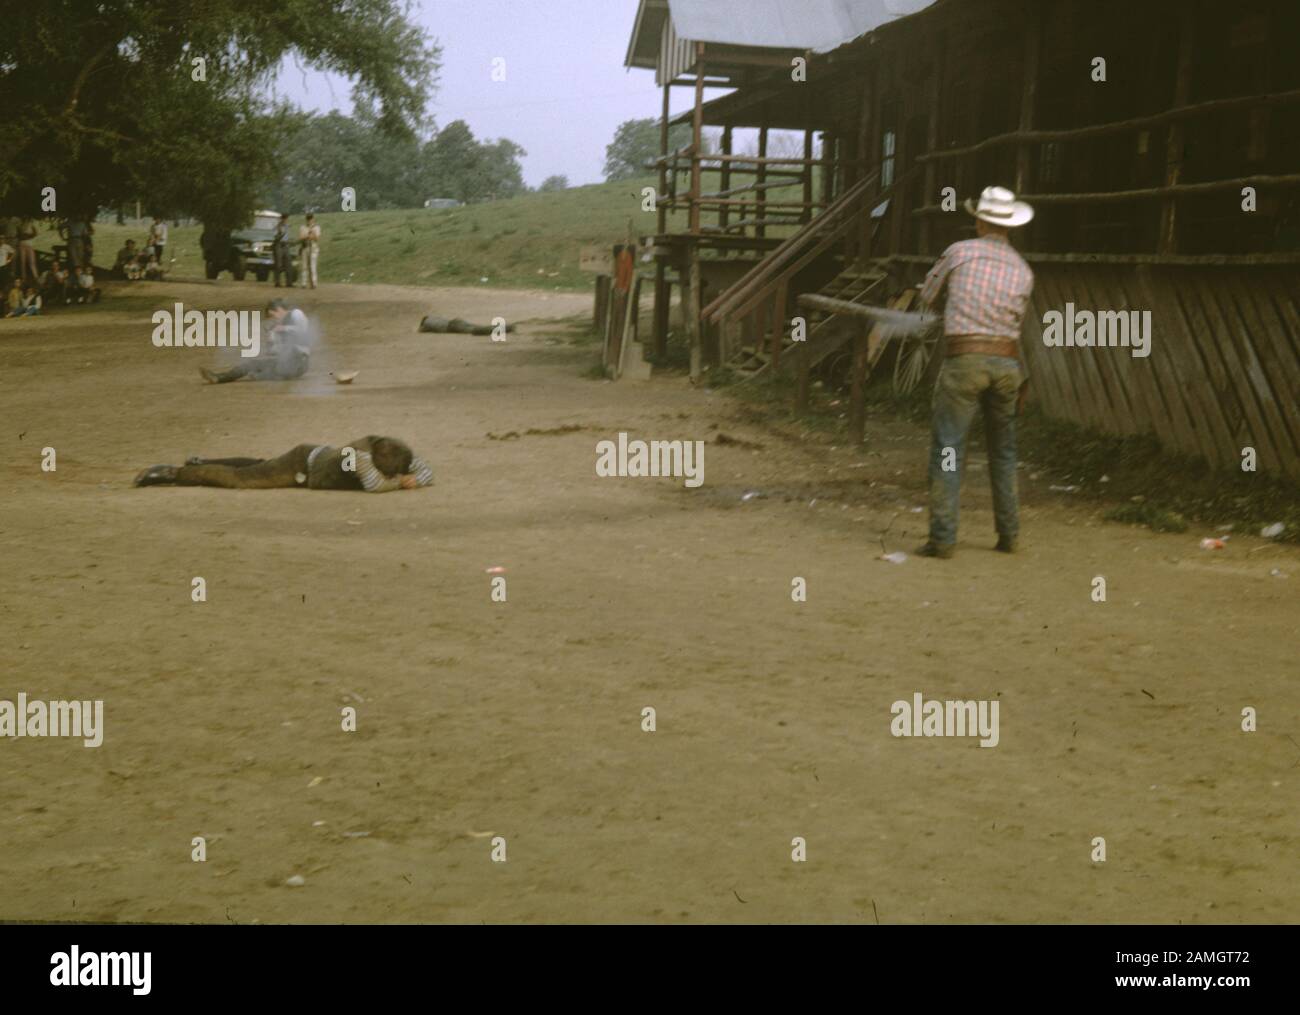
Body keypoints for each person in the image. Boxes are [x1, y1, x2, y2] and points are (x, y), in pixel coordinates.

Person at [916, 185, 1035, 559]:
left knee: (950, 447)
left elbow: (927, 296)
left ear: (980, 220)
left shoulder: (959, 252)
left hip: (964, 361)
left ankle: (943, 538)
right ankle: (1009, 535)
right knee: (1003, 451)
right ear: (1009, 226)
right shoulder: (1022, 269)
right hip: (1007, 365)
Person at [132, 435, 434, 492]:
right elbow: (374, 486)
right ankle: (172, 473)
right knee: (242, 479)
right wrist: (399, 483)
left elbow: (426, 470)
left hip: (312, 454)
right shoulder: (362, 458)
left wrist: (417, 478)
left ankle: (202, 460)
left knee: (259, 465)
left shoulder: (394, 450)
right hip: (302, 465)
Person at [199, 298, 309, 383]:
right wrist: (271, 341)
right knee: (250, 365)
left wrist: (283, 329)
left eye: (273, 315)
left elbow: (304, 331)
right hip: (285, 362)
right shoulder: (277, 328)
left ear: (279, 309)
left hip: (298, 361)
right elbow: (274, 352)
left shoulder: (296, 313)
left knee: (261, 375)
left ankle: (267, 375)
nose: (274, 319)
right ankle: (219, 378)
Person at [298, 213, 320, 289]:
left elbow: (317, 238)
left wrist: (312, 230)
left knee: (313, 266)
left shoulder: (316, 227)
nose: (309, 220)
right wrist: (308, 236)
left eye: (311, 219)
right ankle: (304, 283)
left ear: (313, 219)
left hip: (313, 248)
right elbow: (301, 237)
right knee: (304, 266)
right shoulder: (303, 227)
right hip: (305, 247)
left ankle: (313, 283)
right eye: (308, 219)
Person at [273, 213, 293, 287]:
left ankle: (289, 282)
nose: (285, 220)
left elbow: (288, 236)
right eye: (284, 218)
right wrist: (281, 234)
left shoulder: (288, 226)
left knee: (288, 264)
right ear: (281, 219)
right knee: (278, 264)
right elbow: (276, 237)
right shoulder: (277, 227)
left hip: (286, 245)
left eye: (286, 219)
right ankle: (277, 282)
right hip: (279, 245)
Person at [17, 218, 38, 283]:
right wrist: (25, 235)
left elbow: (35, 234)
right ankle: (24, 278)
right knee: (22, 262)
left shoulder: (31, 224)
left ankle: (36, 277)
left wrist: (28, 235)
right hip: (22, 244)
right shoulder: (20, 225)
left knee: (32, 262)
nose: (25, 218)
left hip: (29, 244)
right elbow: (20, 235)